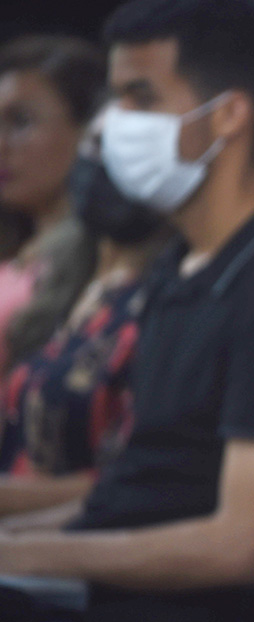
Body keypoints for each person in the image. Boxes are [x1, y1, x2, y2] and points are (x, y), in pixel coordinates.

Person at [0, 1, 254, 622]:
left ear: (226, 115)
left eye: (140, 97)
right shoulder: (178, 269)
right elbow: (121, 497)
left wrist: (20, 550)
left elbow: (236, 543)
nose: (112, 127)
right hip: (82, 609)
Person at [0, 113, 168, 514]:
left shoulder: (157, 306)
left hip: (64, 551)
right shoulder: (70, 285)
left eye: (111, 150)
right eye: (92, 147)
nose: (95, 163)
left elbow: (137, 481)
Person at [0, 35, 104, 375]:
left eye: (21, 122)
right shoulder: (15, 251)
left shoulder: (102, 262)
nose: (1, 144)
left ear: (89, 129)